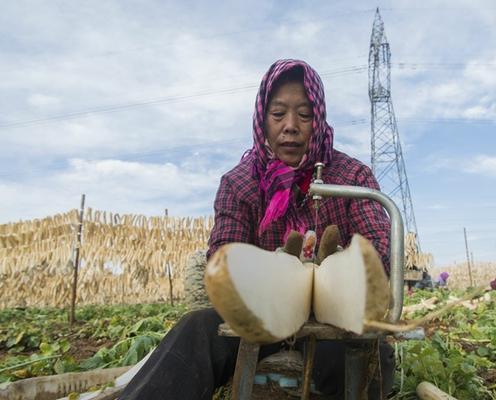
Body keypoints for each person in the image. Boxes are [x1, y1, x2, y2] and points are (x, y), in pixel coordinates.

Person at [120, 59, 395, 399]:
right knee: (196, 331)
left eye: (305, 115)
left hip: (332, 321)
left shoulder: (352, 177)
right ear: (262, 119)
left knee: (368, 353)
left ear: (319, 119)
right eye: (278, 114)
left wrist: (337, 269)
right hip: (261, 319)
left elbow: (378, 253)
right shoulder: (239, 184)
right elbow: (225, 257)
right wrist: (276, 272)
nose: (290, 126)